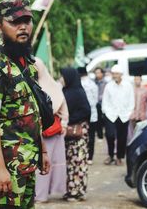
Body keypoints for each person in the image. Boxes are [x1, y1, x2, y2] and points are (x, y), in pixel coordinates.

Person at [0, 0, 50, 209]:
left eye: (27, 21)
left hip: (27, 160)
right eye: (15, 22)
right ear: (0, 27)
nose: (23, 27)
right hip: (7, 165)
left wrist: (43, 150)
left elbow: (33, 112)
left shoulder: (28, 64)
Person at [34, 58, 69, 203]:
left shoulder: (53, 86)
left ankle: (41, 195)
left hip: (51, 132)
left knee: (47, 163)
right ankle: (38, 193)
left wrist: (65, 124)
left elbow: (63, 108)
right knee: (38, 163)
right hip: (37, 131)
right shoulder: (30, 85)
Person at [60, 68, 91, 202]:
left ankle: (77, 191)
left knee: (78, 162)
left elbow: (86, 111)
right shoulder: (66, 91)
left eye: (63, 76)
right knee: (69, 163)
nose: (61, 79)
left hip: (78, 133)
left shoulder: (78, 92)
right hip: (69, 134)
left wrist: (69, 119)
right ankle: (71, 190)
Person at [102, 64, 135, 166]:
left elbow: (131, 100)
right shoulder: (108, 86)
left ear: (121, 74)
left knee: (122, 137)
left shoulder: (128, 86)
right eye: (113, 73)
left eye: (116, 73)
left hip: (123, 115)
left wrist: (129, 112)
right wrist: (106, 112)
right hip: (110, 114)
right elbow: (105, 101)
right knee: (110, 135)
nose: (114, 75)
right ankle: (111, 155)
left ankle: (119, 157)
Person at [77, 66, 98, 164]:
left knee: (83, 135)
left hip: (82, 115)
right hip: (93, 114)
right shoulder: (93, 84)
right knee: (92, 136)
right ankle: (90, 157)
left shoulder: (78, 84)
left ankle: (83, 155)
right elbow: (96, 100)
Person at [129, 76, 147, 141]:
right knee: (133, 131)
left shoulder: (145, 90)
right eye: (135, 79)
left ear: (141, 80)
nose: (137, 81)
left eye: (138, 79)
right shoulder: (131, 90)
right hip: (133, 114)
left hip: (142, 114)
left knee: (142, 130)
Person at [94, 67, 107, 139]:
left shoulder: (105, 83)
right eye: (96, 73)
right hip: (97, 104)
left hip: (104, 103)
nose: (97, 74)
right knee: (98, 120)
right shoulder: (93, 82)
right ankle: (100, 135)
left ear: (102, 73)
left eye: (98, 73)